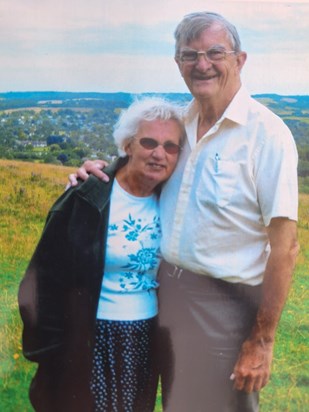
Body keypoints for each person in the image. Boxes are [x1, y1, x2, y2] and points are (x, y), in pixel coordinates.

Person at [69, 11, 299, 412]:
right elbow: (139, 164)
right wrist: (94, 174)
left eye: (214, 53)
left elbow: (286, 248)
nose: (202, 64)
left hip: (224, 307)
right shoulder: (179, 125)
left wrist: (261, 341)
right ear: (178, 64)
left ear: (239, 60)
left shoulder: (268, 135)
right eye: (189, 55)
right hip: (165, 294)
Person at [18, 97, 185, 412]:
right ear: (127, 145)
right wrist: (51, 353)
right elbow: (42, 279)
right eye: (148, 142)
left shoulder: (174, 197)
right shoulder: (86, 195)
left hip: (144, 338)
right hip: (88, 336)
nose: (159, 154)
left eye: (170, 146)